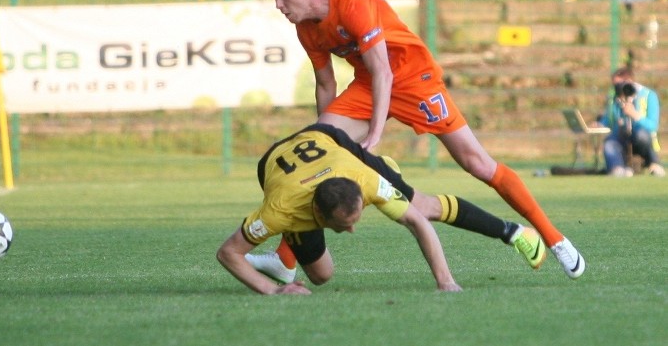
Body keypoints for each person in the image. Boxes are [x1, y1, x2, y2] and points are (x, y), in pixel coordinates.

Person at [261, 0, 585, 280]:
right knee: (314, 146)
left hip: (415, 80)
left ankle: (554, 238)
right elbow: (325, 84)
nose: (278, 5)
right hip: (368, 86)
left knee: (478, 164)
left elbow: (383, 71)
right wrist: (329, 139)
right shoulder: (305, 28)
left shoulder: (353, 3)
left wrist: (374, 133)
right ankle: (285, 260)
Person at [216, 123, 546, 295]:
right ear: (318, 216)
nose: (353, 229)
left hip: (333, 145)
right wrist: (274, 292)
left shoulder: (366, 182)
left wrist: (445, 281)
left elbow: (417, 222)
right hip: (275, 167)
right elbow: (228, 253)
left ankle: (512, 231)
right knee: (321, 276)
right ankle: (284, 265)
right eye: (344, 225)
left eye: (356, 218)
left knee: (423, 207)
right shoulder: (279, 212)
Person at [598, 67, 665, 177]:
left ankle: (653, 163)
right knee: (610, 142)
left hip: (642, 138)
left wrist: (635, 115)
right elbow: (609, 118)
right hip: (622, 135)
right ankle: (617, 168)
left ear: (629, 82)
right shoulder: (614, 98)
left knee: (641, 135)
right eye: (615, 85)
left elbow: (653, 126)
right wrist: (601, 123)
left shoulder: (648, 95)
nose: (617, 88)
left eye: (619, 84)